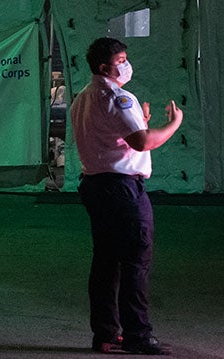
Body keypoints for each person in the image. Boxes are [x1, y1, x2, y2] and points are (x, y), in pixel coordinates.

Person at [70, 37, 183, 355]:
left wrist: (140, 124)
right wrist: (173, 124)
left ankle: (105, 334)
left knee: (106, 262)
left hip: (95, 186)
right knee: (135, 260)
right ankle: (138, 334)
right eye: (121, 59)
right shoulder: (119, 98)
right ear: (106, 67)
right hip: (122, 189)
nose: (126, 64)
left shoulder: (83, 97)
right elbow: (143, 142)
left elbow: (111, 137)